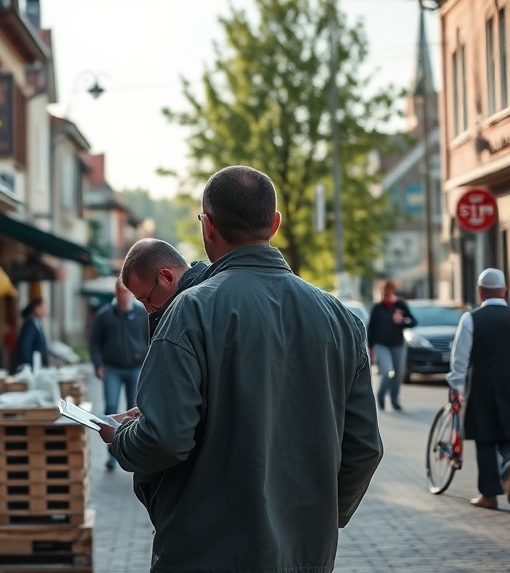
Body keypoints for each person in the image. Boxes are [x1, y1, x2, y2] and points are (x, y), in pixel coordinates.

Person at [110, 165, 382, 573]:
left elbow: (165, 439)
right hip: (306, 554)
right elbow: (364, 449)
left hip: (205, 552)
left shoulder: (188, 313)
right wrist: (318, 519)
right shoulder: (340, 318)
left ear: (208, 226)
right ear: (274, 224)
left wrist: (120, 437)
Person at [446, 267, 510, 510]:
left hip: (482, 386)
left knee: (485, 438)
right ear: (504, 290)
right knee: (508, 435)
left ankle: (489, 495)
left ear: (481, 291)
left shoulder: (472, 319)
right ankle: (508, 467)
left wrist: (456, 386)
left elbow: (460, 358)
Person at [89, 280, 149, 470]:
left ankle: (133, 452)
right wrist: (98, 364)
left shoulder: (141, 313)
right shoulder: (104, 315)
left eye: (126, 292)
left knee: (136, 411)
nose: (123, 295)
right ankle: (112, 454)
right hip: (112, 369)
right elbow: (95, 342)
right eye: (120, 292)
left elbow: (150, 338)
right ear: (115, 293)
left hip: (135, 368)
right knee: (112, 407)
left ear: (131, 293)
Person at [367, 279, 417, 410]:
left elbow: (413, 321)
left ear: (393, 291)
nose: (387, 295)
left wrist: (402, 321)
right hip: (381, 344)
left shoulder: (400, 305)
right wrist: (370, 347)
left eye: (389, 292)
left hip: (398, 344)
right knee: (388, 371)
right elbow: (371, 328)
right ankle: (381, 395)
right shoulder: (377, 308)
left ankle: (394, 400)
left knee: (398, 373)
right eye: (384, 292)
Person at [10, 297, 48, 371]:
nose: (45, 310)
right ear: (36, 308)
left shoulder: (37, 322)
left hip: (37, 364)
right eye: (43, 307)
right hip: (30, 366)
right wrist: (30, 365)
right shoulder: (30, 323)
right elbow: (25, 346)